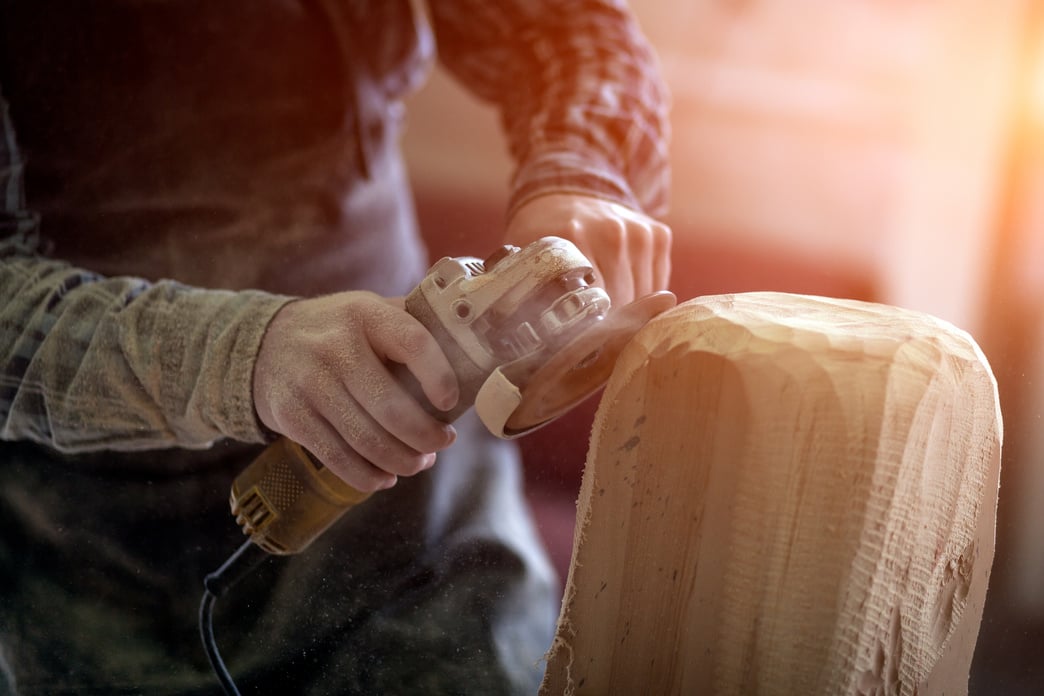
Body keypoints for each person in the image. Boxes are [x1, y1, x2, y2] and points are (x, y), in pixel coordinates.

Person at [0, 1, 671, 693]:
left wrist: (581, 172)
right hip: (91, 553)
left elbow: (563, 26)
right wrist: (241, 354)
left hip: (420, 506)